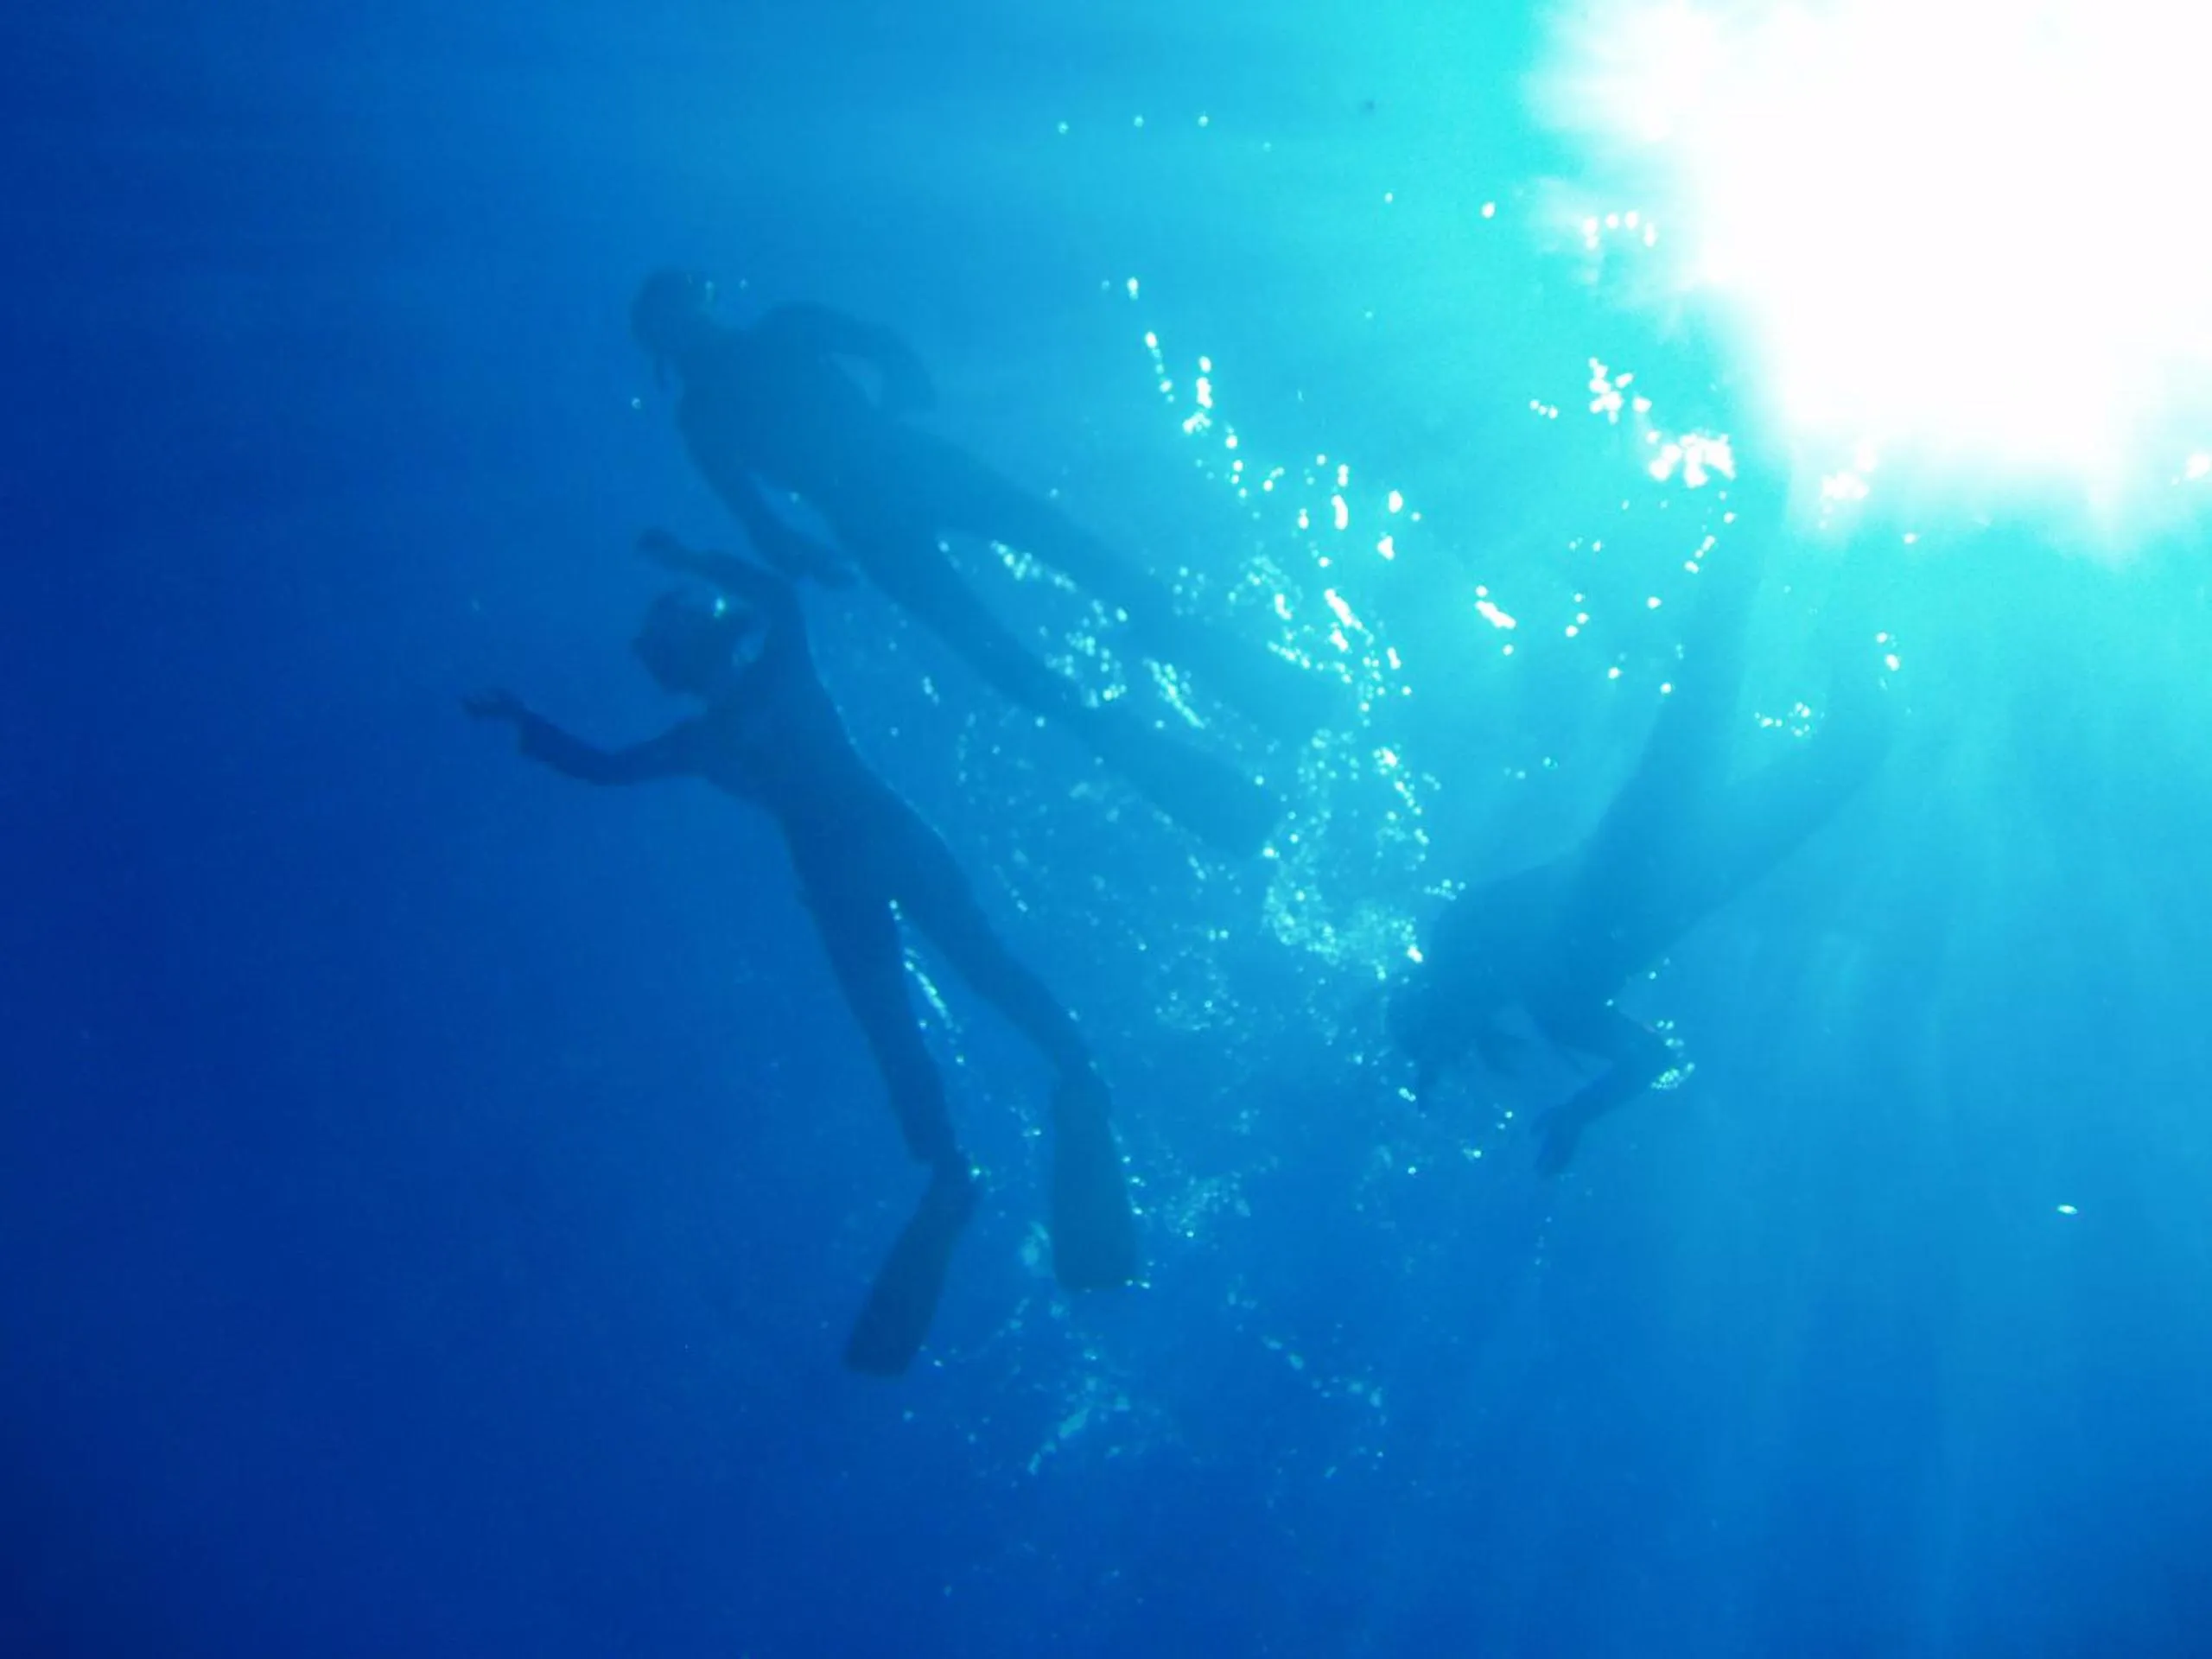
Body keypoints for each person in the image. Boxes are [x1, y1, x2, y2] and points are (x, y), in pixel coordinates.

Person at [467, 527, 1139, 1374]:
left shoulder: (713, 730)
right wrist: (682, 565)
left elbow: (608, 765)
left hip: (846, 874)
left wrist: (529, 717)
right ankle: (1045, 1088)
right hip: (877, 852)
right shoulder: (758, 689)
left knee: (918, 1011)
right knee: (956, 986)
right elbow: (626, 748)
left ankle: (959, 1156)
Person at [626, 267, 1335, 856]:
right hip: (896, 486)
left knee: (1051, 590)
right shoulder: (744, 373)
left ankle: (1177, 697)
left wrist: (810, 545)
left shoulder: (732, 384)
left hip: (885, 497)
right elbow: (882, 363)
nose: (688, 336)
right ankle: (1181, 701)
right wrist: (818, 530)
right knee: (1049, 593)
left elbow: (875, 369)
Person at [1389, 534, 1894, 1174]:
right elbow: (1651, 1058)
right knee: (1856, 737)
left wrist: (1562, 1081)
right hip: (1700, 865)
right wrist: (1578, 1111)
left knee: (1718, 661)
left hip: (1654, 829)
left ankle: (1766, 498)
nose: (1456, 1038)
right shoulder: (1550, 1005)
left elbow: (1552, 938)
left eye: (1442, 1028)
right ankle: (1845, 611)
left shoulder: (1483, 952)